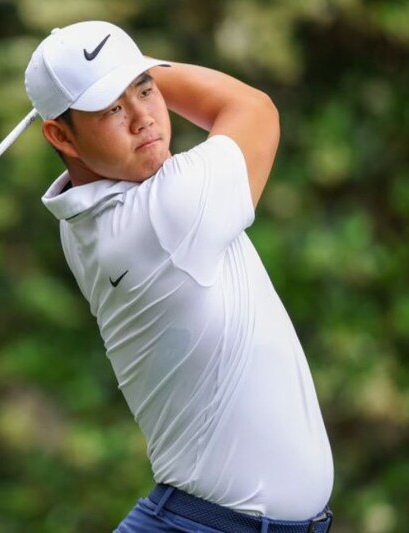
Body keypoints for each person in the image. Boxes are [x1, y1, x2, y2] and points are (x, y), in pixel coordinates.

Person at [25, 20, 334, 533]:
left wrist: (113, 73)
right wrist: (141, 65)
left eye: (146, 90)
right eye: (112, 109)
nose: (144, 117)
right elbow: (253, 110)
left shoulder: (83, 221)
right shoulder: (165, 213)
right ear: (60, 135)